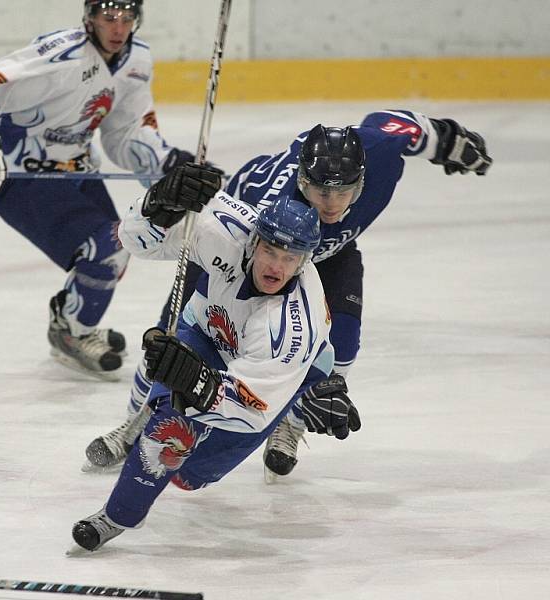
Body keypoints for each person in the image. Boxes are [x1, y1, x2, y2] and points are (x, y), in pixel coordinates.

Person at [84, 109, 491, 476]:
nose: (332, 205)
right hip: (256, 247)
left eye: (343, 193)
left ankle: (292, 422)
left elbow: (405, 124)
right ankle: (137, 420)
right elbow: (235, 269)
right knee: (179, 333)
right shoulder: (264, 205)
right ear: (301, 180)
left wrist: (448, 141)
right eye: (320, 192)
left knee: (342, 344)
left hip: (327, 256)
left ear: (361, 180)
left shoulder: (380, 151)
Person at [71, 164, 361, 551]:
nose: (276, 266)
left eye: (289, 258)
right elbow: (135, 240)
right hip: (207, 331)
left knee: (188, 476)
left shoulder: (293, 327)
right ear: (254, 239)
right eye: (270, 250)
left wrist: (196, 382)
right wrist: (158, 204)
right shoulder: (221, 227)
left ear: (306, 260)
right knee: (171, 430)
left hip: (274, 381)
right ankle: (118, 515)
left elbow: (251, 409)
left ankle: (294, 405)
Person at [0, 0, 201, 379]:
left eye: (127, 19)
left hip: (79, 171)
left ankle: (68, 319)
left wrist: (169, 164)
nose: (118, 28)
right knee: (108, 248)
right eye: (109, 18)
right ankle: (74, 332)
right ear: (90, 19)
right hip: (25, 177)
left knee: (121, 247)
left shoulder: (136, 60)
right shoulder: (61, 53)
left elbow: (127, 132)